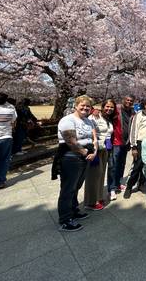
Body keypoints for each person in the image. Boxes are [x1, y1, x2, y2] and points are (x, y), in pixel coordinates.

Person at [56, 95, 97, 232]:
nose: (85, 108)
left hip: (85, 157)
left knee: (76, 186)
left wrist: (94, 152)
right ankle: (65, 219)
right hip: (70, 157)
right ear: (76, 106)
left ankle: (73, 210)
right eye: (82, 105)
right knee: (68, 188)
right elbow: (71, 141)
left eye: (88, 106)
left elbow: (93, 138)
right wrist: (85, 153)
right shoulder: (67, 120)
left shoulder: (88, 121)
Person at [84, 99, 114, 209]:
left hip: (104, 149)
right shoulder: (94, 117)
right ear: (102, 107)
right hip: (95, 150)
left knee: (101, 175)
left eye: (111, 107)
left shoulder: (107, 118)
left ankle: (98, 196)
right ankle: (91, 202)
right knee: (94, 175)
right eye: (107, 106)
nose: (109, 109)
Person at [125, 98, 146, 198]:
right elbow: (133, 131)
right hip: (140, 143)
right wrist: (133, 146)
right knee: (137, 166)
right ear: (145, 105)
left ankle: (141, 184)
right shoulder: (139, 115)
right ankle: (129, 187)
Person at [110, 96, 134, 196]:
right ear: (123, 100)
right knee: (113, 165)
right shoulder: (116, 109)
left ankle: (118, 183)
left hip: (125, 142)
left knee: (121, 164)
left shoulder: (132, 112)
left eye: (131, 101)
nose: (129, 102)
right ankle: (112, 188)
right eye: (127, 100)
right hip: (116, 141)